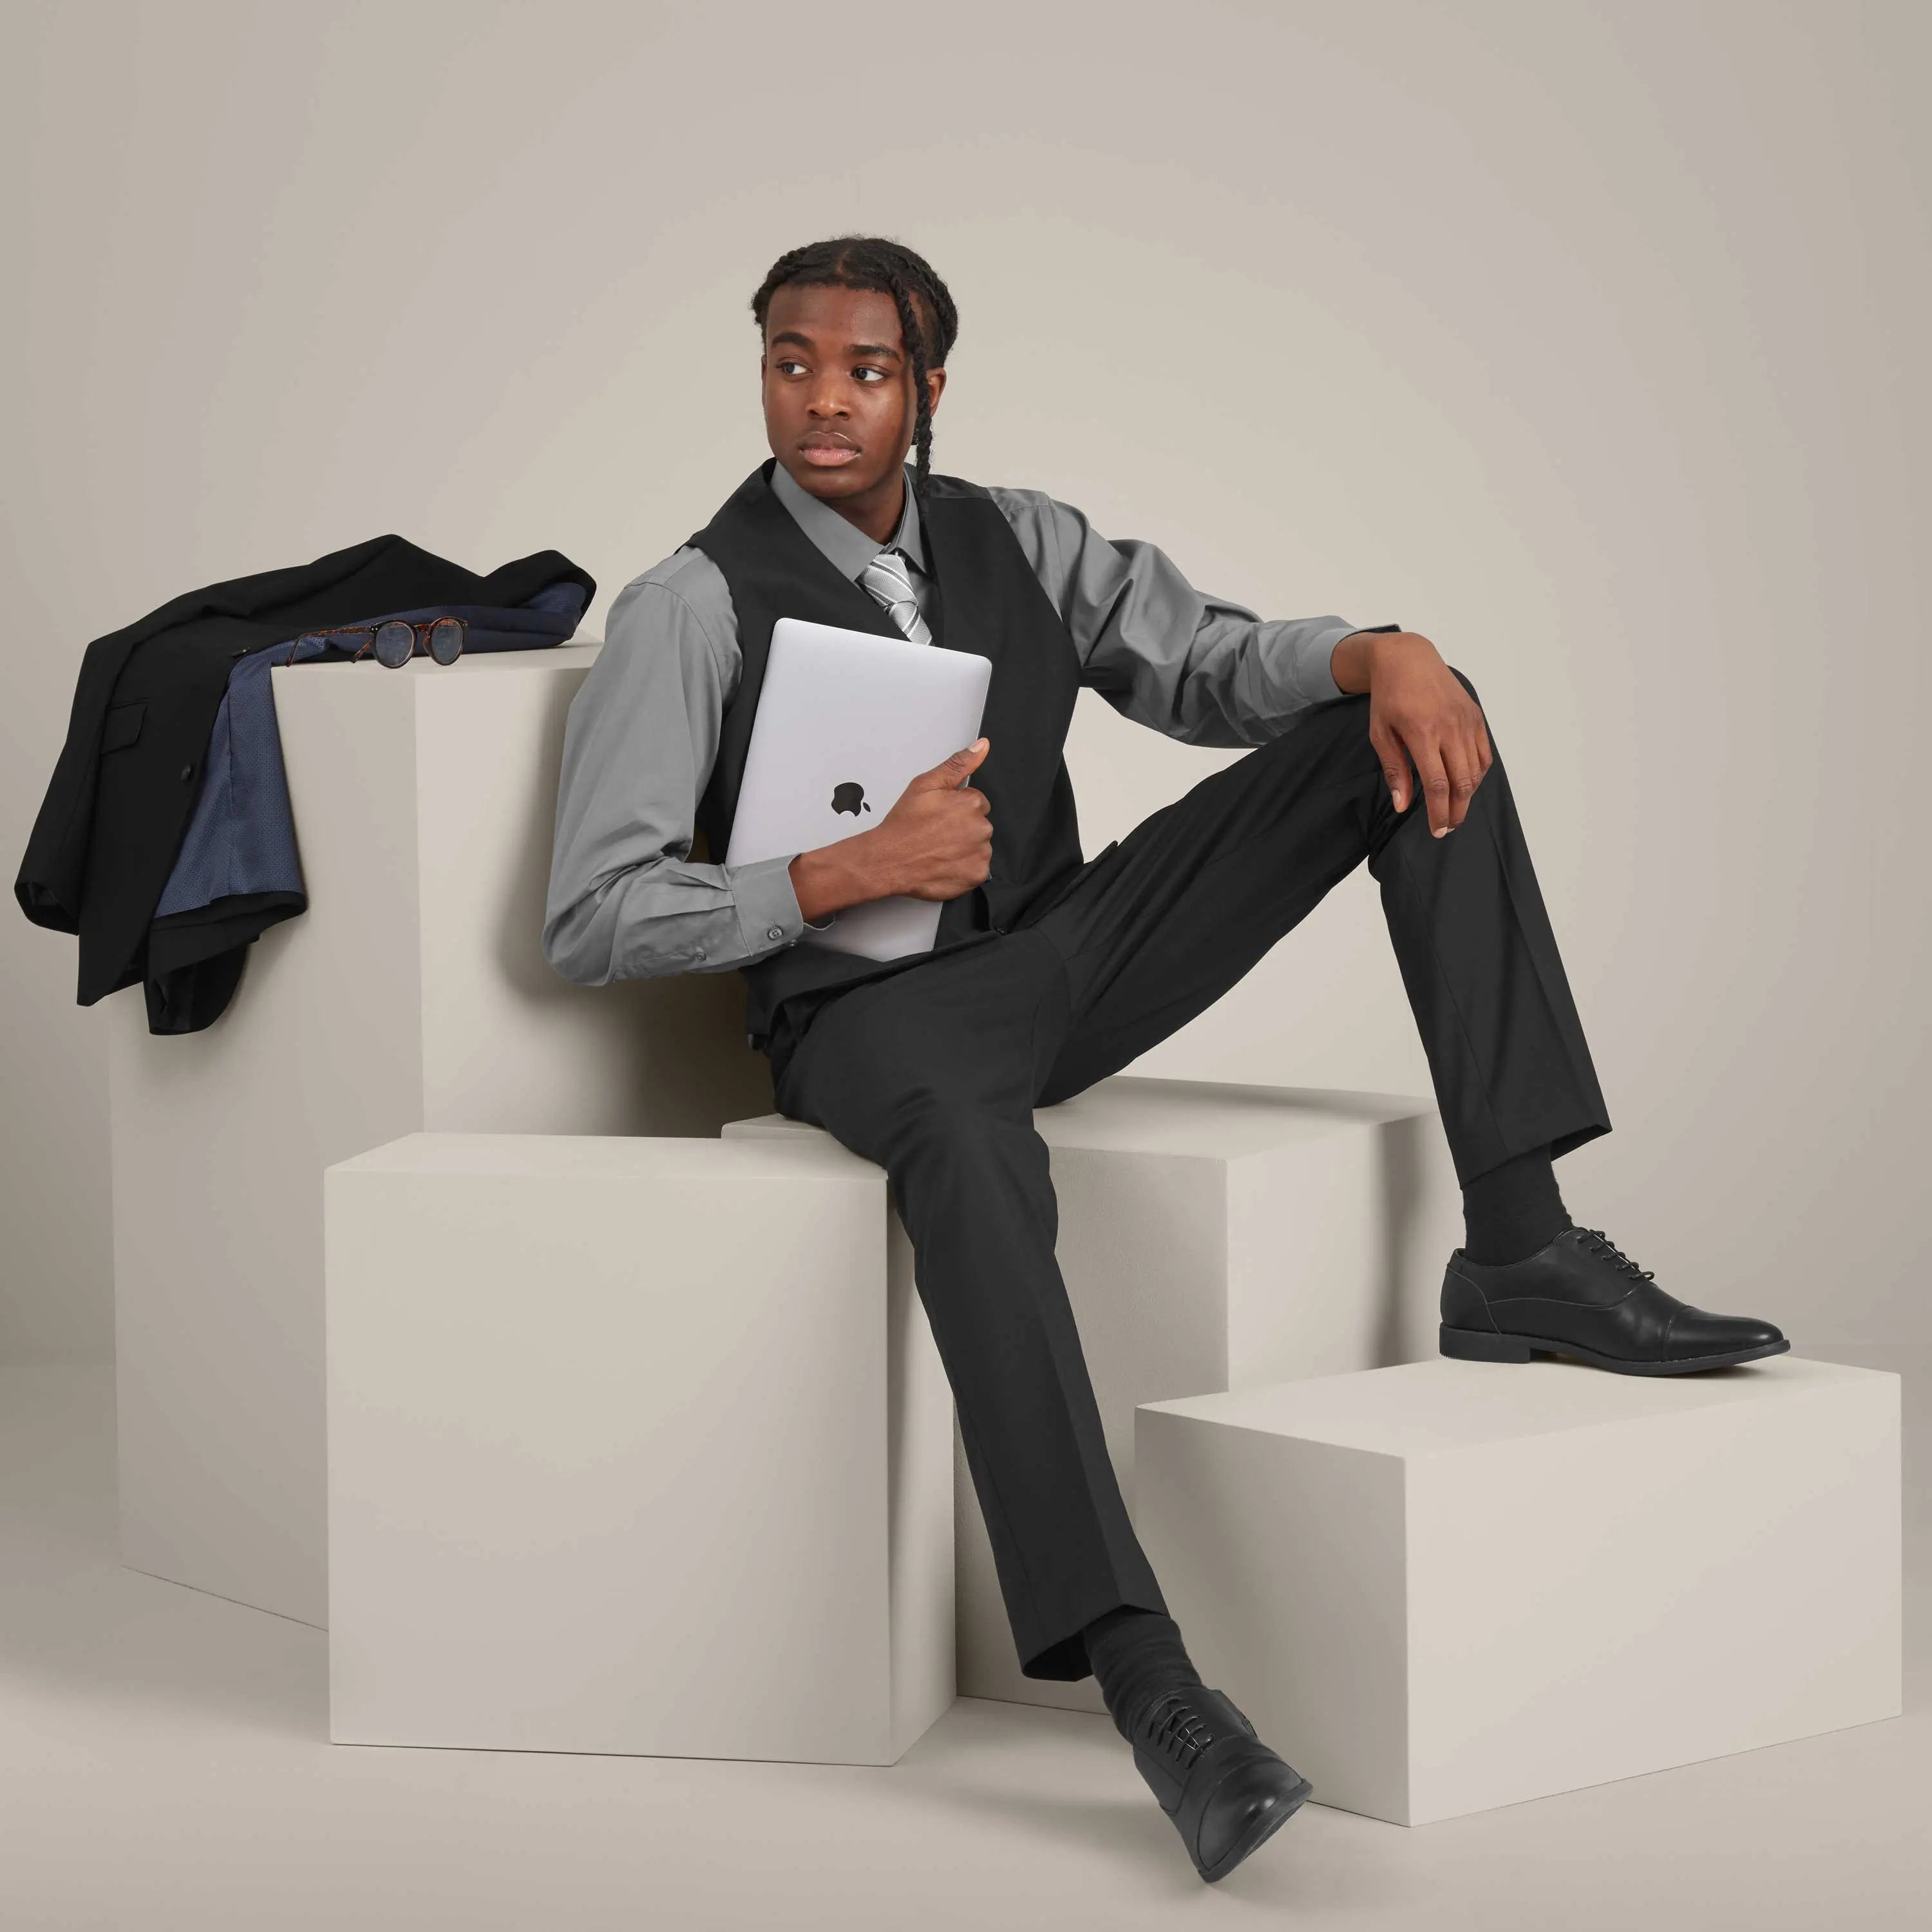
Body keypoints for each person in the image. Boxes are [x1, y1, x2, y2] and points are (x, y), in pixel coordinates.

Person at [542, 235, 1786, 1884]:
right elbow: (595, 915)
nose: (823, 401)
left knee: (1412, 720)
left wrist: (1373, 652)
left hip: (1063, 959)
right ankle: (1151, 1684)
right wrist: (839, 874)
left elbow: (1203, 668)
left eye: (862, 370)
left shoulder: (1022, 538)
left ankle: (1522, 1241)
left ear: (926, 388)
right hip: (868, 1021)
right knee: (977, 1161)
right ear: (757, 368)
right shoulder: (688, 608)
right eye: (789, 362)